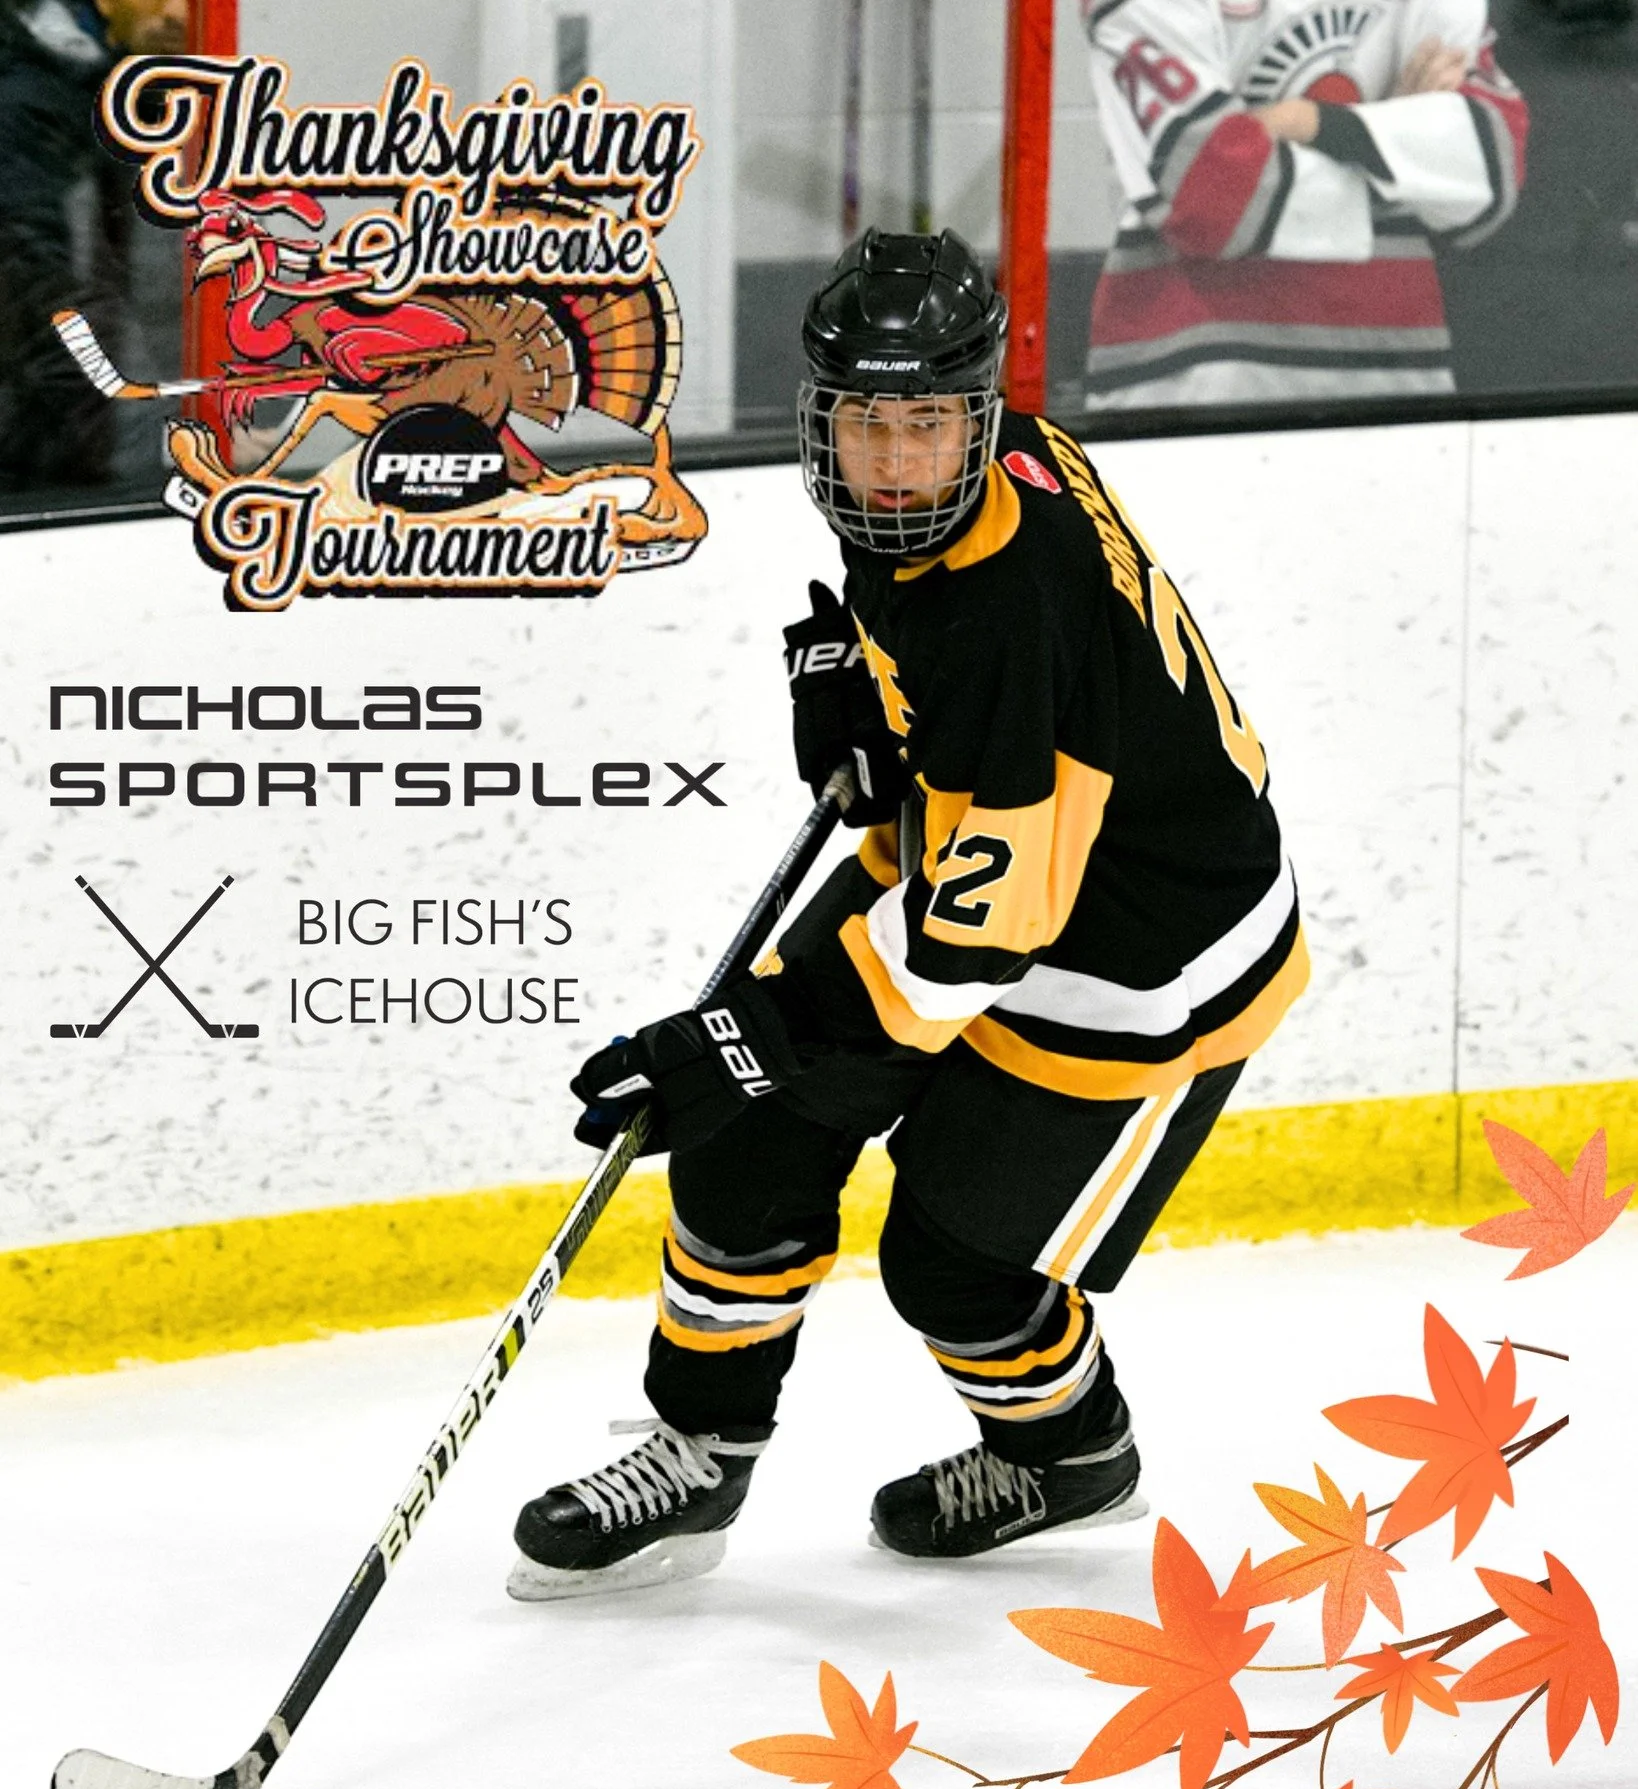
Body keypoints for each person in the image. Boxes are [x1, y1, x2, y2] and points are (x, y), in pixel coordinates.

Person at [508, 228, 1308, 1600]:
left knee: (950, 1262)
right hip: (993, 858)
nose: (892, 460)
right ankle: (699, 1455)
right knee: (748, 1138)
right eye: (864, 422)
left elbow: (971, 943)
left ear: (974, 418)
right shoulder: (1001, 465)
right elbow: (968, 716)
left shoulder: (1010, 606)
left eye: (925, 425)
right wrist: (865, 698)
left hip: (1142, 952)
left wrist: (748, 1033)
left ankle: (1069, 1455)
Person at [1079, 0, 1529, 408]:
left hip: (1396, 378)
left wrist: (1306, 122)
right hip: (1192, 382)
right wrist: (1394, 146)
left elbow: (1490, 175)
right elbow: (1215, 197)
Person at [0, 0, 186, 495]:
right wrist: (165, 441)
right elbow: (47, 322)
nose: (179, 13)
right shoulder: (28, 106)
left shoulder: (124, 93)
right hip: (59, 478)